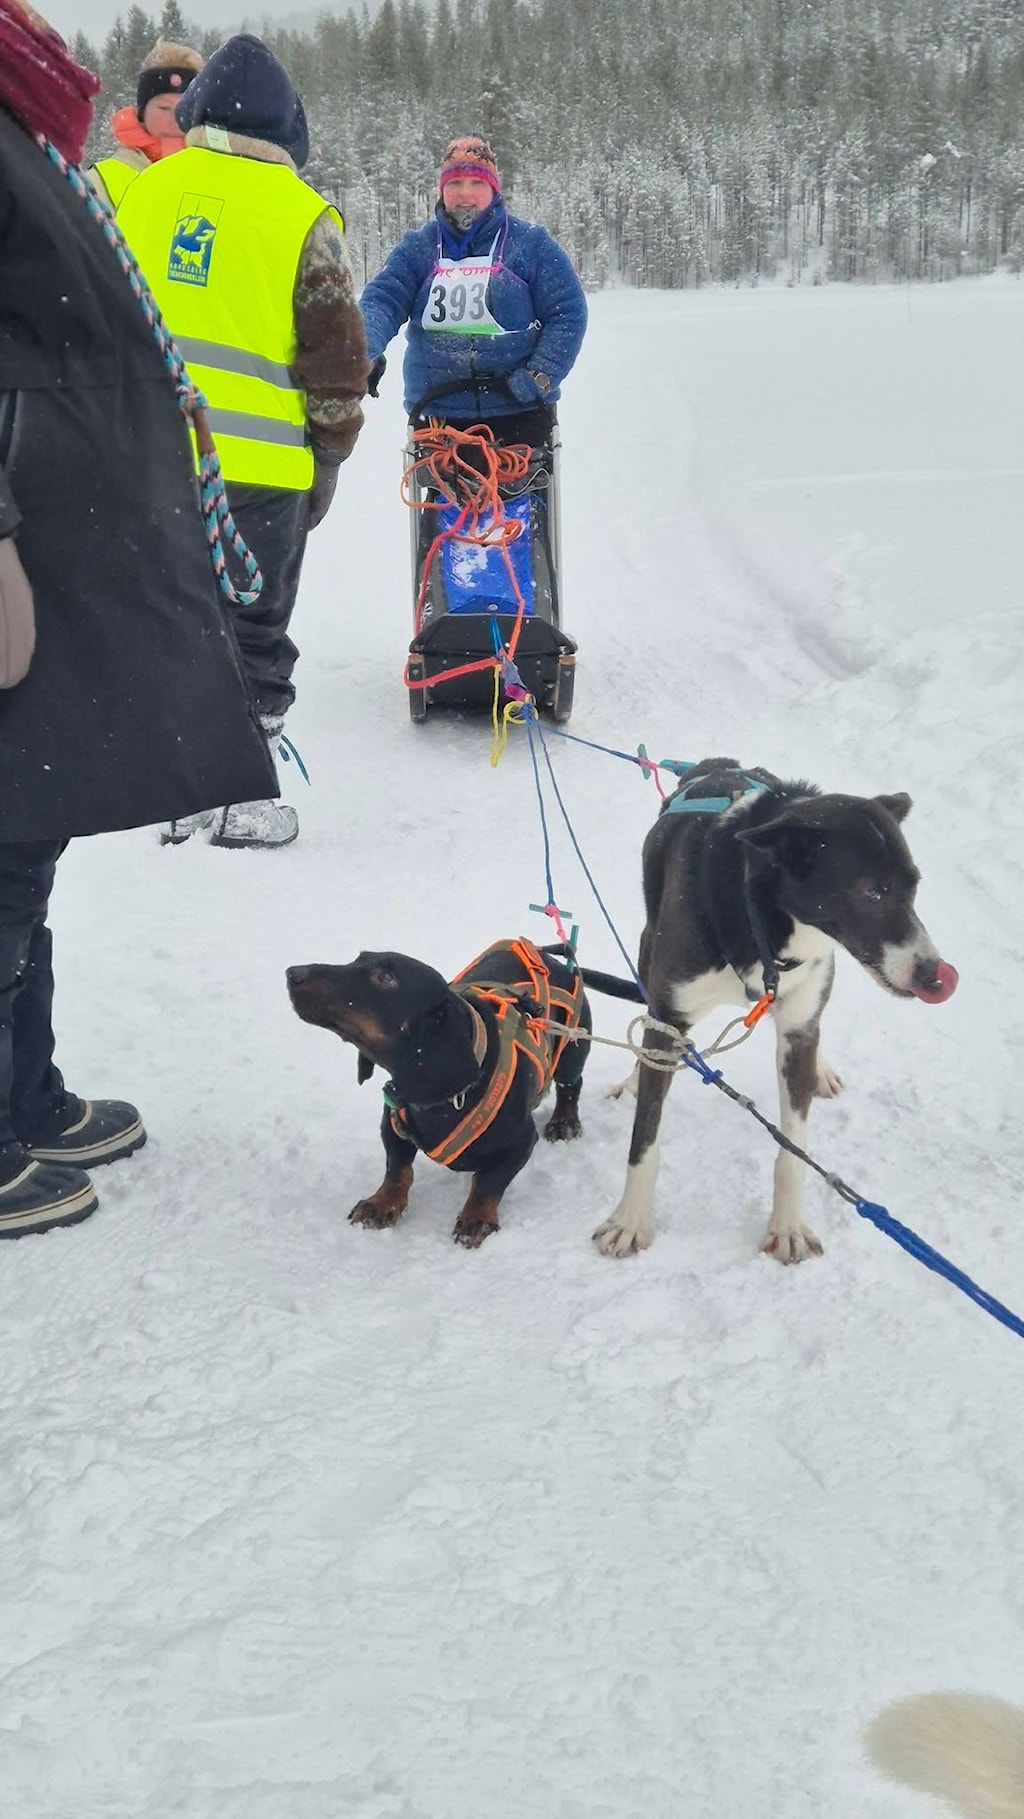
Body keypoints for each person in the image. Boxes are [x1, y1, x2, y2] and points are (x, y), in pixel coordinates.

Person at [0, 0, 276, 1238]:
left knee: (28, 830)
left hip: (61, 533)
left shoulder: (29, 114)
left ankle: (25, 1093)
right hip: (18, 532)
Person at [117, 34, 368, 850]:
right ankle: (242, 795)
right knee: (251, 627)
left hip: (153, 456)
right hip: (262, 469)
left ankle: (178, 791)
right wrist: (332, 452)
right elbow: (336, 360)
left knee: (176, 617)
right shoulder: (302, 215)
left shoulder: (146, 193)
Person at [360, 135, 588, 448]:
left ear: (494, 189)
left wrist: (539, 377)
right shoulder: (419, 248)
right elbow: (382, 302)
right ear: (442, 190)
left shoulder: (530, 244)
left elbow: (567, 313)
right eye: (454, 183)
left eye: (476, 183)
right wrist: (363, 349)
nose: (465, 194)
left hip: (520, 412)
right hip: (437, 415)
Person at [88, 38, 204, 208]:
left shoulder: (216, 176)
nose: (175, 119)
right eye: (163, 108)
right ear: (142, 113)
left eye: (185, 109)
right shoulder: (100, 183)